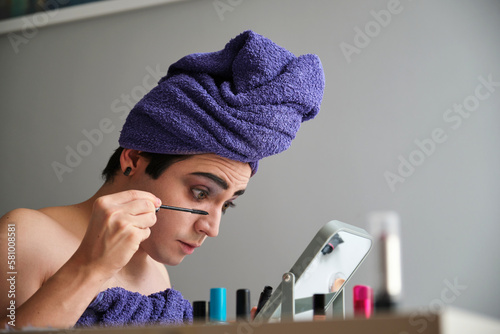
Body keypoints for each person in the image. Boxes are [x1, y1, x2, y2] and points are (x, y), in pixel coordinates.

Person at [0, 30, 324, 329]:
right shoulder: (22, 235)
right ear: (135, 160)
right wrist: (90, 268)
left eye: (226, 205)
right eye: (200, 193)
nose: (211, 228)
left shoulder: (156, 274)